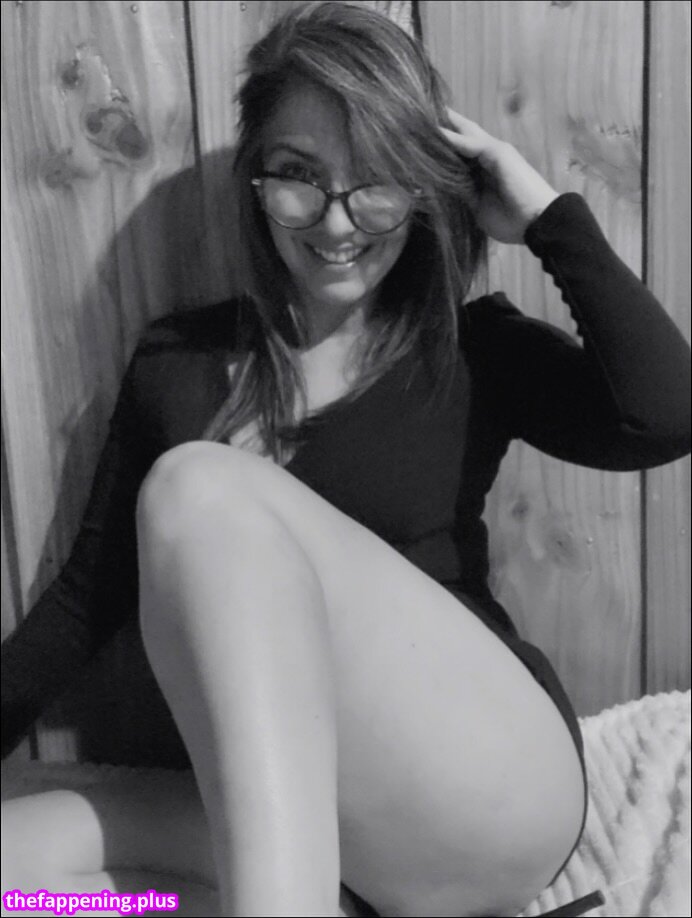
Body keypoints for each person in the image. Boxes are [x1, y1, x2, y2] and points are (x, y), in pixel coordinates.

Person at [1, 2, 690, 917]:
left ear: (422, 187)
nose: (337, 222)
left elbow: (664, 414)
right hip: (316, 823)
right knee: (16, 874)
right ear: (256, 183)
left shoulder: (470, 351)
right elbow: (86, 603)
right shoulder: (178, 362)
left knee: (199, 485)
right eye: (299, 177)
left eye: (377, 183)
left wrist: (547, 218)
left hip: (483, 791)